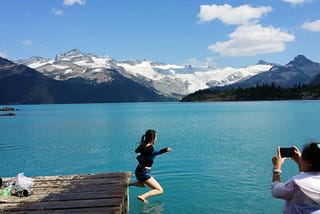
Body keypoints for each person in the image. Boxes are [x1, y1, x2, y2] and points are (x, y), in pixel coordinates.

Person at [271, 142, 320, 213]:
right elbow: (307, 177)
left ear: (308, 163)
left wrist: (276, 168)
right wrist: (301, 163)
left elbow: (276, 191)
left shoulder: (296, 183)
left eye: (302, 158)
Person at [129, 129, 172, 204]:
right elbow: (155, 153)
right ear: (153, 138)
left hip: (138, 170)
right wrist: (165, 150)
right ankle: (142, 196)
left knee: (144, 185)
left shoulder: (143, 145)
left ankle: (129, 184)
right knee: (160, 190)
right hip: (144, 173)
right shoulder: (150, 148)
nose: (156, 138)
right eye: (156, 137)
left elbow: (136, 151)